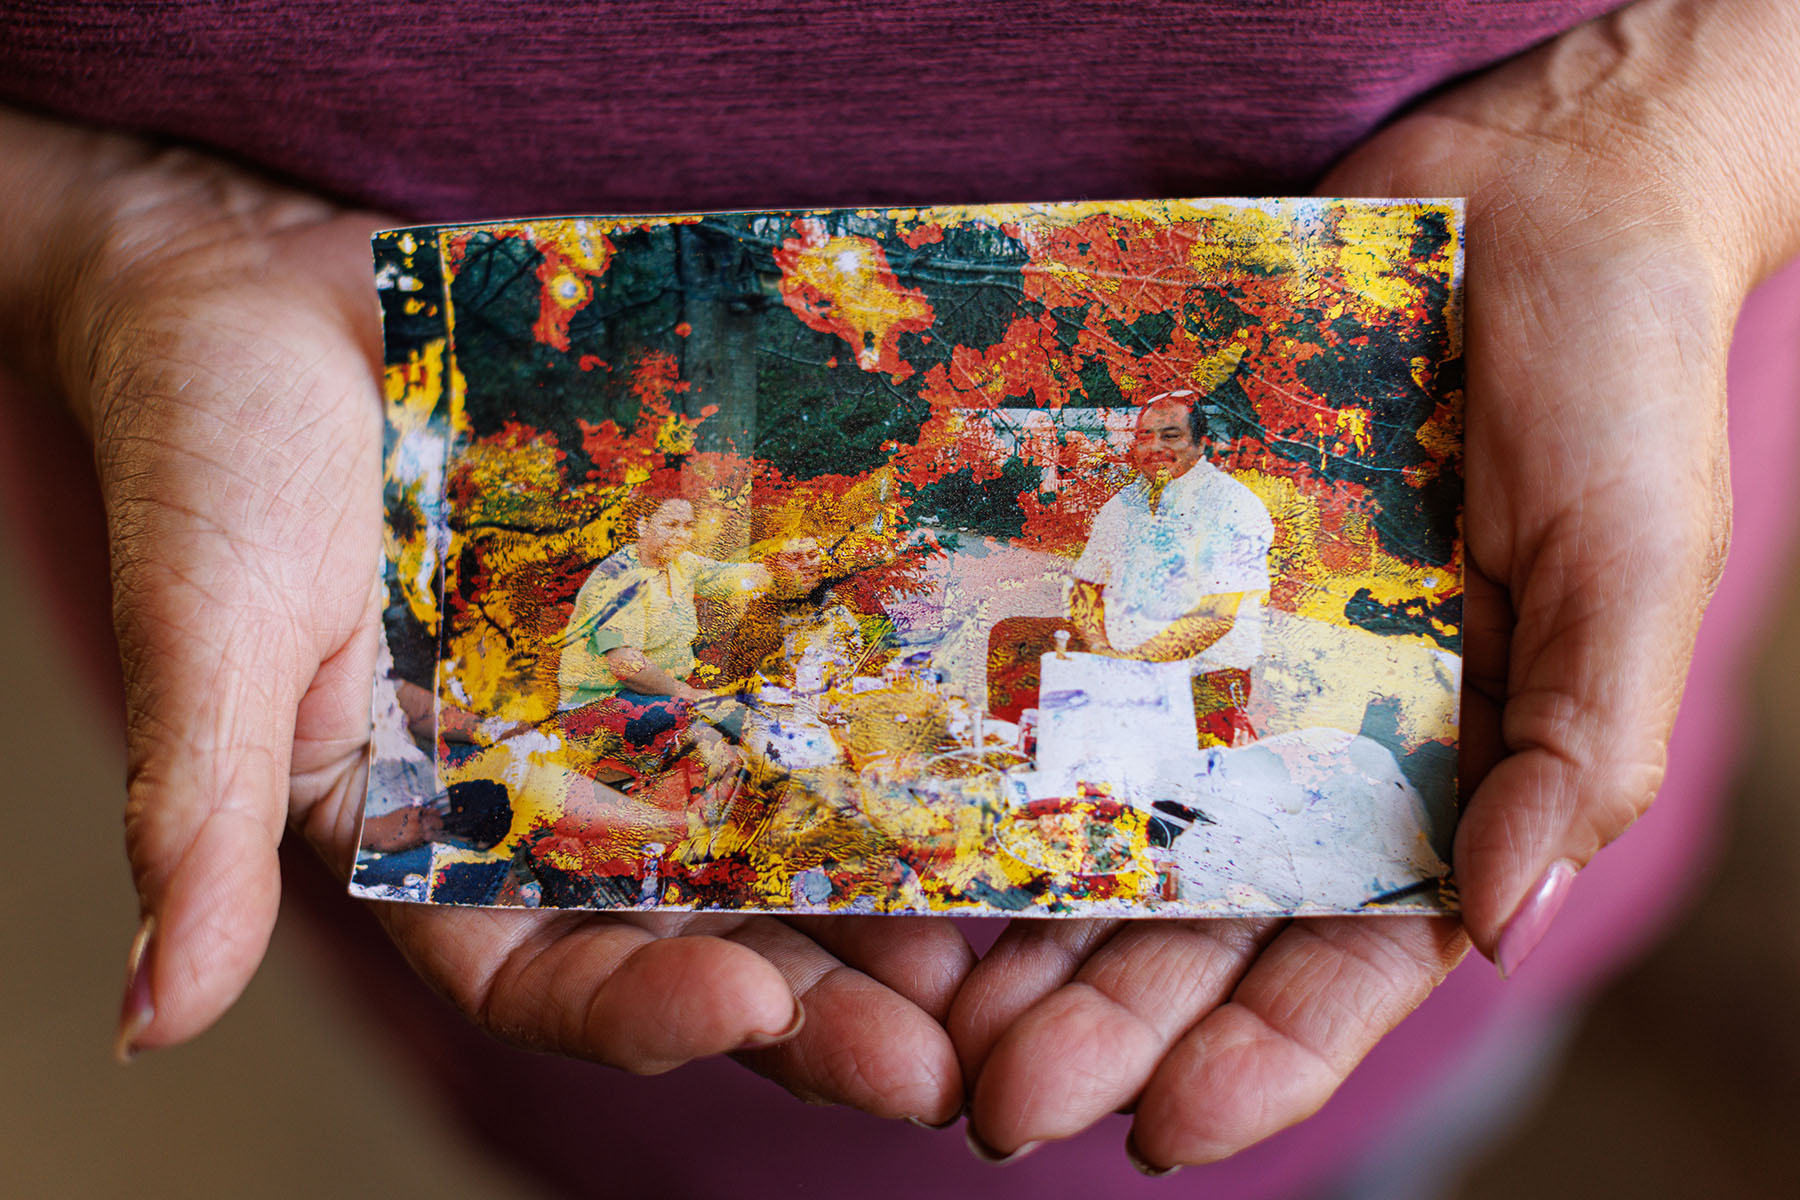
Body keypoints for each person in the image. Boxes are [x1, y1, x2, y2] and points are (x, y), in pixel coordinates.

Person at [2, 1, 1798, 1194]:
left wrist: (1689, 106)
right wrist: (94, 225)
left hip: (1471, 699)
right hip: (465, 817)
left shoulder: (1214, 526)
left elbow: (1163, 602)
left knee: (1365, 1133)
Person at [1069, 390, 1274, 746]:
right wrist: (1102, 650)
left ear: (1201, 444)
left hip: (1204, 690)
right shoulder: (1122, 505)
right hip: (1117, 678)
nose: (1154, 447)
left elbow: (1217, 614)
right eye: (1144, 437)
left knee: (1184, 796)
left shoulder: (1233, 505)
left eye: (1171, 435)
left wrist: (1133, 664)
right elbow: (1086, 587)